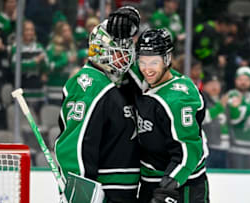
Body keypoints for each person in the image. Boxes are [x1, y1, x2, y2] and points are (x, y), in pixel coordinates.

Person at [55, 6, 141, 202]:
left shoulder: (120, 80)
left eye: (127, 50)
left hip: (127, 191)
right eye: (119, 51)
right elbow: (75, 146)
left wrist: (132, 18)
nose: (126, 57)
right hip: (104, 192)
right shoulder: (89, 84)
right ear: (102, 51)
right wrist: (80, 192)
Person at [132, 28, 209, 203]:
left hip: (184, 186)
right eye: (142, 62)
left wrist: (169, 185)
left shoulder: (179, 99)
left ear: (167, 59)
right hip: (150, 181)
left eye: (153, 62)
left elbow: (188, 149)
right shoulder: (145, 80)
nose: (147, 69)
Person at [202, 75, 230, 168]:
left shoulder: (226, 100)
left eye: (216, 84)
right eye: (211, 84)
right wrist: (219, 107)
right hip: (209, 148)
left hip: (226, 148)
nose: (214, 87)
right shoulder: (200, 100)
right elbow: (202, 118)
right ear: (204, 86)